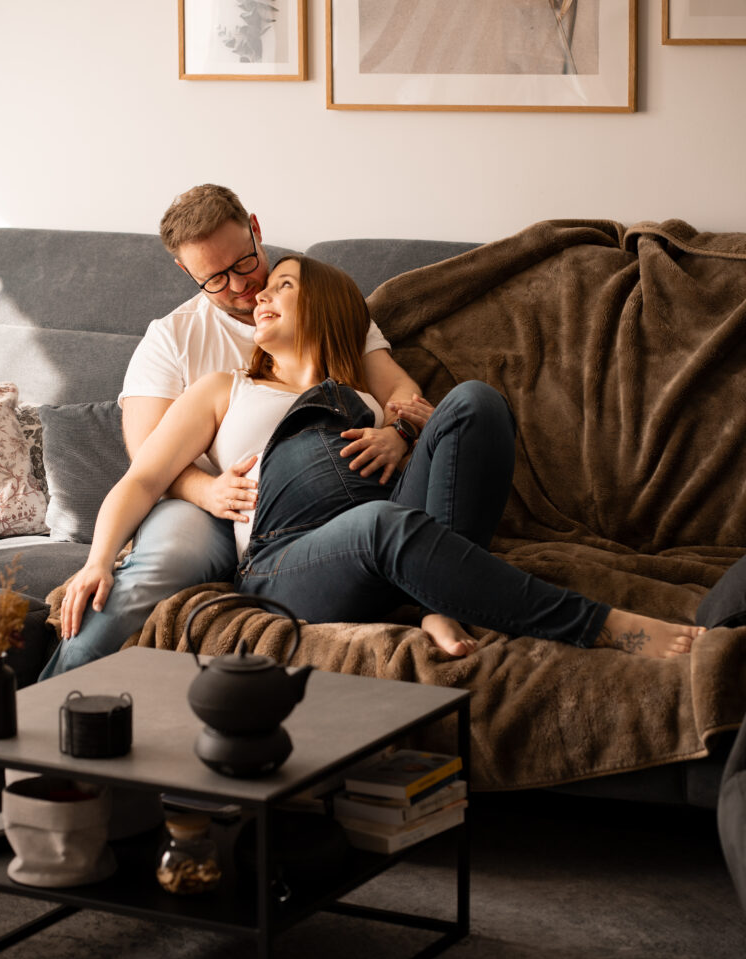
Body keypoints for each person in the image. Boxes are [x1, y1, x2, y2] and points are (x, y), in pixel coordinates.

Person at [42, 256, 705, 678]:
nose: (257, 298)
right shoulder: (223, 388)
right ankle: (600, 624)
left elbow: (438, 429)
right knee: (382, 524)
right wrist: (100, 559)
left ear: (324, 307)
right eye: (259, 291)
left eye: (281, 286)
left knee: (475, 402)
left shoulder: (364, 389)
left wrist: (397, 431)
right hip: (288, 561)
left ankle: (426, 601)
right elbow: (142, 479)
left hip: (388, 530)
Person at [54, 184, 426, 667]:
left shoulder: (318, 307)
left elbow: (401, 393)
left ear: (255, 229)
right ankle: (39, 710)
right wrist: (207, 492)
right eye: (214, 278)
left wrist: (399, 435)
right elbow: (145, 458)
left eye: (244, 263)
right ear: (186, 272)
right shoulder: (172, 338)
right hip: (205, 501)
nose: (240, 287)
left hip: (314, 501)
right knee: (154, 572)